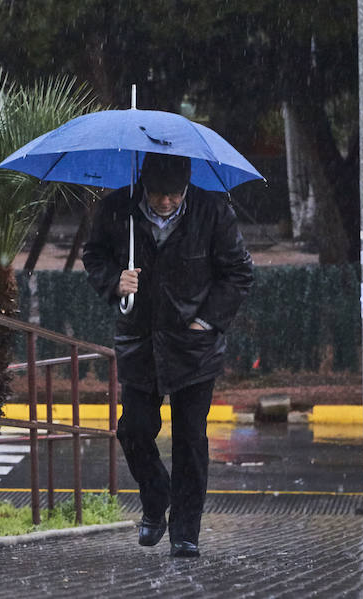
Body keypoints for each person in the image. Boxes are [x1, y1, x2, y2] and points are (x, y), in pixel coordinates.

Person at [82, 152, 254, 558]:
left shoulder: (213, 211)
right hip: (139, 343)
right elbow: (94, 255)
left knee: (190, 441)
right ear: (143, 184)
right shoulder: (116, 210)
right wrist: (114, 281)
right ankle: (156, 500)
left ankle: (185, 531)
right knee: (134, 430)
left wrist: (207, 322)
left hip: (194, 348)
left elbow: (238, 272)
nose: (166, 203)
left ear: (188, 186)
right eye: (158, 194)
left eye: (175, 195)